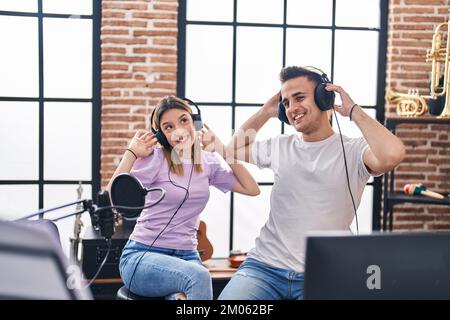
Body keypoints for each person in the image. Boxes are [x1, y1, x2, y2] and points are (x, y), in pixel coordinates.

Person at [219, 66, 406, 300]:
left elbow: (392, 155)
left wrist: (354, 112)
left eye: (299, 98)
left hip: (324, 272)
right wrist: (265, 112)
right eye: (285, 103)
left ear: (323, 98)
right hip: (263, 269)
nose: (292, 108)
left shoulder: (354, 150)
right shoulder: (280, 146)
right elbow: (232, 149)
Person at [109, 96, 260, 300]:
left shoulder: (208, 162)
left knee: (184, 296)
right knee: (199, 277)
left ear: (196, 123)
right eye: (168, 127)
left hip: (187, 257)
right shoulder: (155, 158)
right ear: (161, 135)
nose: (178, 130)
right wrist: (131, 154)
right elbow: (112, 199)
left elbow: (252, 189)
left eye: (183, 121)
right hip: (142, 256)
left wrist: (222, 149)